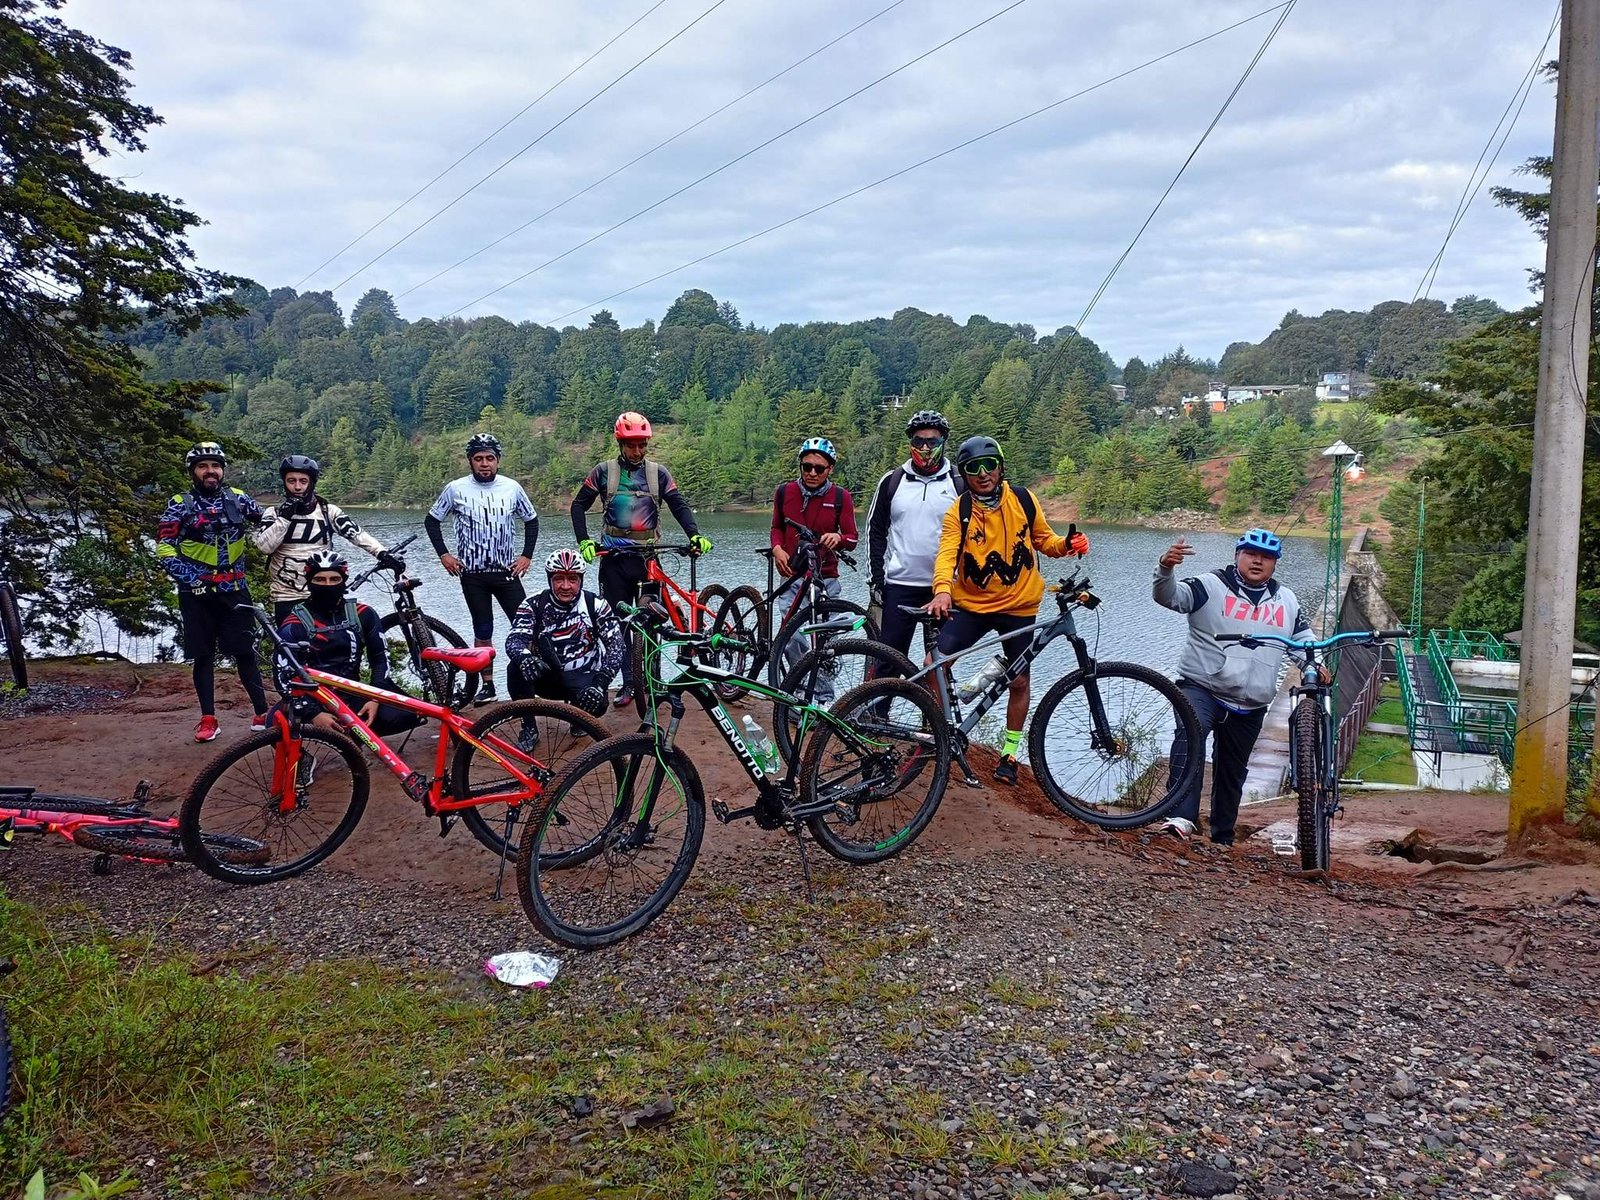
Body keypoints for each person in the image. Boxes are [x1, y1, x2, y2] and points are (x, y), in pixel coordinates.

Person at [927, 436, 1089, 785]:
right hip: (971, 604)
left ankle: (1010, 754)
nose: (983, 474)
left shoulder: (1024, 499)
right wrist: (942, 591)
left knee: (1019, 681)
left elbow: (1044, 540)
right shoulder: (960, 510)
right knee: (934, 666)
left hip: (1019, 605)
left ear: (1001, 465)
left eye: (990, 465)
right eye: (973, 468)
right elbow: (946, 554)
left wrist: (1067, 544)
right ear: (964, 474)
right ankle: (938, 734)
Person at [1153, 527, 1323, 846]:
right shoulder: (1209, 585)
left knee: (1232, 772)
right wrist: (1166, 567)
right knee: (1190, 738)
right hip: (1202, 687)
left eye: (1266, 557)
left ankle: (1223, 838)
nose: (1257, 562)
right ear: (1237, 556)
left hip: (1252, 703)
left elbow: (1301, 640)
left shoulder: (1286, 600)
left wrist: (1315, 662)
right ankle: (1179, 819)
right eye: (1251, 554)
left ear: (1275, 564)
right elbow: (1169, 597)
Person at [571, 411, 712, 708]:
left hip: (648, 559)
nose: (637, 451)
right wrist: (583, 540)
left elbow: (679, 505)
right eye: (631, 445)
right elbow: (578, 505)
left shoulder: (658, 473)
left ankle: (651, 681)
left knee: (654, 623)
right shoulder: (603, 472)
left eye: (642, 445)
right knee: (617, 625)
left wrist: (694, 534)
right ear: (620, 443)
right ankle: (628, 684)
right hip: (614, 559)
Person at [155, 441, 272, 742]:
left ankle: (262, 713)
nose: (211, 471)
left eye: (216, 466)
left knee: (245, 652)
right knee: (203, 655)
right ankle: (208, 718)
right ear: (193, 471)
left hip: (235, 589)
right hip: (196, 593)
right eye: (203, 466)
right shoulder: (179, 503)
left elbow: (268, 526)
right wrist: (188, 576)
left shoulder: (239, 499)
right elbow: (164, 545)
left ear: (222, 470)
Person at [425, 432, 539, 703]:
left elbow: (531, 520)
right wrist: (444, 555)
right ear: (470, 461)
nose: (484, 464)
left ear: (498, 461)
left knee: (527, 626)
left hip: (507, 572)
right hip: (472, 574)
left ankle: (531, 679)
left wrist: (526, 556)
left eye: (490, 458)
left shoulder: (512, 487)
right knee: (482, 630)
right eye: (479, 459)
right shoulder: (455, 489)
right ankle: (488, 686)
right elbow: (432, 521)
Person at [274, 551, 419, 736]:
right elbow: (282, 676)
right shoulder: (294, 623)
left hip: (353, 693)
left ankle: (355, 743)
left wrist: (374, 698)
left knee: (407, 715)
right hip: (314, 696)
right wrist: (314, 714)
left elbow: (381, 658)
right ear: (309, 582)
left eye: (334, 579)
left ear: (344, 580)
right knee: (277, 724)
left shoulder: (363, 614)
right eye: (320, 580)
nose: (327, 585)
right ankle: (304, 759)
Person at [866, 410, 964, 668]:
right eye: (918, 441)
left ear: (943, 442)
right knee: (888, 663)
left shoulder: (959, 483)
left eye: (932, 441)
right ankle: (878, 710)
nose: (924, 447)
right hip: (900, 585)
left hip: (944, 589)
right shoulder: (892, 481)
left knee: (939, 666)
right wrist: (876, 579)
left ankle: (931, 710)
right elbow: (876, 531)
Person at [253, 454, 402, 621]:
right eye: (291, 481)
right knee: (290, 645)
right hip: (286, 596)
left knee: (333, 642)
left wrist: (382, 553)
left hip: (324, 592)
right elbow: (264, 547)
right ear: (284, 483)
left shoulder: (327, 511)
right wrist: (285, 518)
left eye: (303, 481)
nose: (297, 487)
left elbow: (357, 534)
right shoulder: (273, 514)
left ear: (311, 483)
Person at [769, 437, 858, 698]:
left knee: (828, 642)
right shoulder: (785, 492)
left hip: (826, 578)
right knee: (792, 636)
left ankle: (824, 698)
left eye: (819, 468)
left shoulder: (841, 497)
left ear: (830, 469)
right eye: (806, 466)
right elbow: (776, 527)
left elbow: (852, 538)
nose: (811, 473)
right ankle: (799, 692)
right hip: (793, 576)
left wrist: (838, 538)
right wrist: (777, 549)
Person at [504, 549, 628, 717]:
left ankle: (579, 718)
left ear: (581, 580)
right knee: (515, 669)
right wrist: (524, 658)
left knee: (598, 704)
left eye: (572, 579)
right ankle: (528, 726)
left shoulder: (596, 604)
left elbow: (617, 647)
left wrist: (601, 683)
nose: (565, 586)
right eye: (558, 579)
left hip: (584, 677)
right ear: (550, 580)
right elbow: (515, 639)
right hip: (546, 675)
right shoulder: (532, 604)